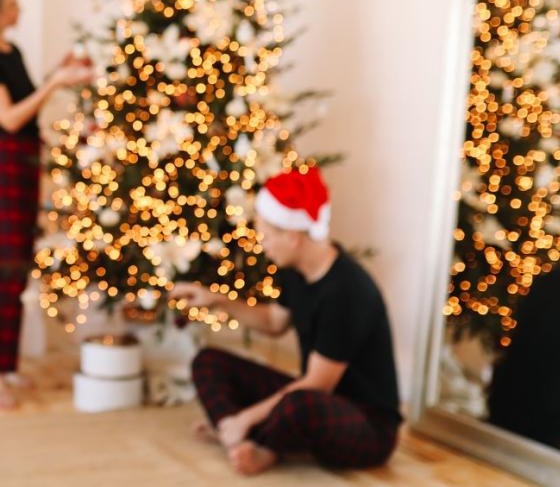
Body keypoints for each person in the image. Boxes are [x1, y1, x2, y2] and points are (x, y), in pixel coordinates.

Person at [171, 167, 402, 475]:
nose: (262, 245)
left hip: (368, 426)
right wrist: (216, 300)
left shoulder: (346, 291)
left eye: (266, 236)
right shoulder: (295, 270)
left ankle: (263, 445)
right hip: (316, 397)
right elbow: (273, 322)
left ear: (292, 236)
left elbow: (318, 383)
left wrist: (247, 417)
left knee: (300, 404)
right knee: (208, 362)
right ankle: (239, 436)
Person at [0, 0, 93, 409]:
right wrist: (55, 84)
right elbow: (11, 117)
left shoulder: (11, 52)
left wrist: (58, 72)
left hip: (22, 162)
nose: (20, 11)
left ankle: (1, 363)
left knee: (15, 263)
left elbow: (25, 99)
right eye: (13, 4)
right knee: (3, 264)